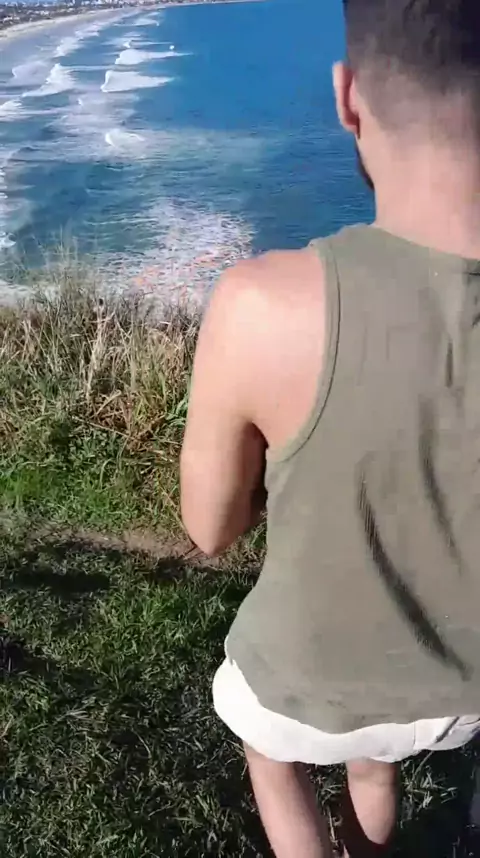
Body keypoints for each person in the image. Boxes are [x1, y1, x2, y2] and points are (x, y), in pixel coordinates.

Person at [180, 1, 480, 855]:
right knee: (376, 763)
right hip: (457, 694)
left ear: (347, 98)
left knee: (272, 753)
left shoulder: (260, 304)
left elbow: (209, 529)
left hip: (304, 682)